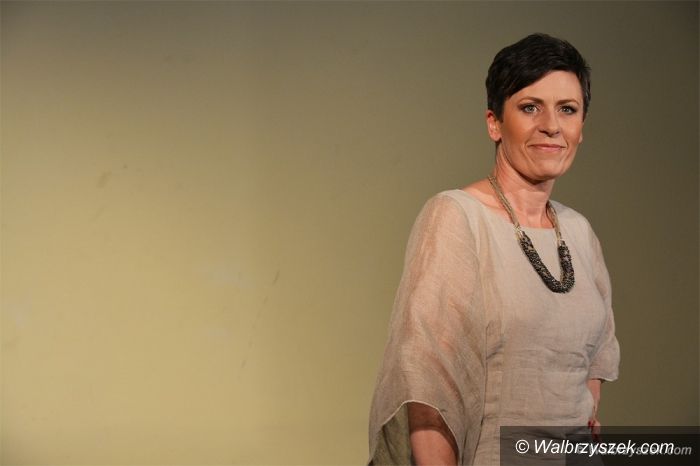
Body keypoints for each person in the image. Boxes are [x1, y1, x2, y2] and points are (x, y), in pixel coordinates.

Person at [367, 33, 620, 465]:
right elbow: (427, 384)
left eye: (567, 109)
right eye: (530, 107)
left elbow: (591, 364)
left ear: (581, 128)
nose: (551, 125)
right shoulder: (457, 217)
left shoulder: (579, 232)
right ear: (494, 123)